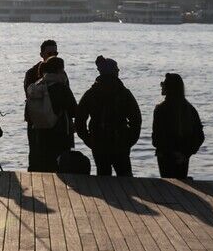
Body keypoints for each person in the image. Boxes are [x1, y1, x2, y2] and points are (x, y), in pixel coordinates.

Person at [75, 56, 141, 177]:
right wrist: (130, 140)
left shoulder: (92, 93)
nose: (119, 71)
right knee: (126, 178)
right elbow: (136, 119)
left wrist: (89, 139)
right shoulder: (124, 93)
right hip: (120, 141)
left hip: (99, 142)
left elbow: (79, 119)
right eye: (117, 69)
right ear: (113, 72)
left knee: (103, 178)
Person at [26, 56, 78, 172]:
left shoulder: (38, 85)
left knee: (45, 164)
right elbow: (74, 110)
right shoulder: (61, 87)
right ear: (59, 70)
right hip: (60, 132)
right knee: (60, 164)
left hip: (40, 130)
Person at [23, 40, 68, 171]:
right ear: (41, 54)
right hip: (37, 121)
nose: (53, 55)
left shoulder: (61, 73)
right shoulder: (32, 72)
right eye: (50, 52)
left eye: (55, 52)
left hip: (52, 121)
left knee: (54, 157)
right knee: (36, 155)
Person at [152, 73, 204, 178]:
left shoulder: (160, 109)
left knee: (167, 188)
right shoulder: (190, 109)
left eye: (163, 84)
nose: (161, 86)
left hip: (165, 157)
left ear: (169, 88)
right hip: (182, 157)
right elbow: (199, 136)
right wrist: (186, 153)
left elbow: (157, 137)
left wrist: (165, 151)